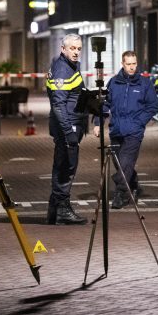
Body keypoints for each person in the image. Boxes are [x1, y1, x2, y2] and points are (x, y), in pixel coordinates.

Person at [93, 51, 158, 209]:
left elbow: (152, 106)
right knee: (121, 165)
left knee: (125, 162)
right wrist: (97, 122)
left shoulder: (144, 84)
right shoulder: (114, 83)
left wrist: (139, 123)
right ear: (122, 64)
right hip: (116, 130)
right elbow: (105, 104)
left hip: (134, 132)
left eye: (134, 63)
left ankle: (121, 194)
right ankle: (133, 184)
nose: (132, 67)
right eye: (128, 64)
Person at [45, 33, 88, 225]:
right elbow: (58, 105)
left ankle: (55, 208)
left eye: (79, 48)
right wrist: (69, 132)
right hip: (66, 126)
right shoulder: (63, 70)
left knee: (63, 165)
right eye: (72, 48)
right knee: (66, 168)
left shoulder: (70, 66)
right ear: (63, 49)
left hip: (70, 124)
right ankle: (62, 209)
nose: (76, 52)